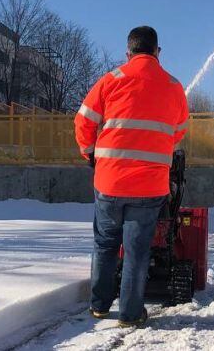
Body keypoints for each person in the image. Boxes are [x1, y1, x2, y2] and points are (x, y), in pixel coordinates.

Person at [75, 25, 189, 328]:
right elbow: (179, 130)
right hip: (150, 186)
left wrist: (90, 155)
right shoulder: (174, 86)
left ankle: (99, 305)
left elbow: (84, 121)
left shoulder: (111, 81)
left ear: (128, 52)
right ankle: (130, 313)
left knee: (105, 245)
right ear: (157, 52)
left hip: (109, 181)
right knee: (138, 251)